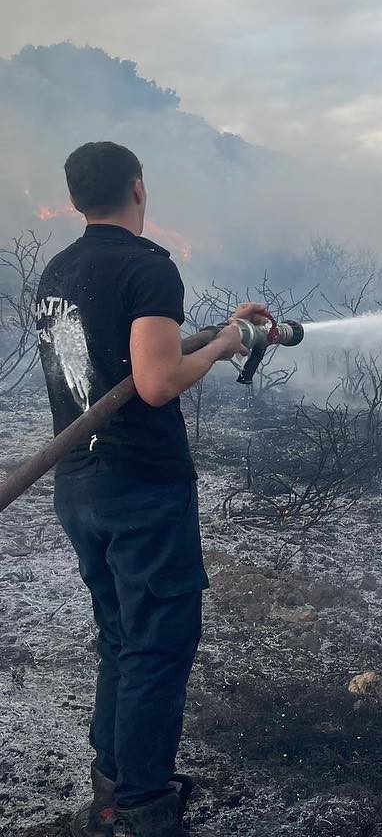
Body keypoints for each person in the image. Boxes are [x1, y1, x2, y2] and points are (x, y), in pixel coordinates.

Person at [33, 142, 264, 837]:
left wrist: (223, 332)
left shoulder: (59, 269)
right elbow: (157, 383)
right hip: (141, 488)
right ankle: (142, 807)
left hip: (79, 485)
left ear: (76, 198)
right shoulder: (145, 267)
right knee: (157, 643)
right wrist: (223, 348)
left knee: (120, 636)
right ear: (139, 187)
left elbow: (123, 363)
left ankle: (113, 788)